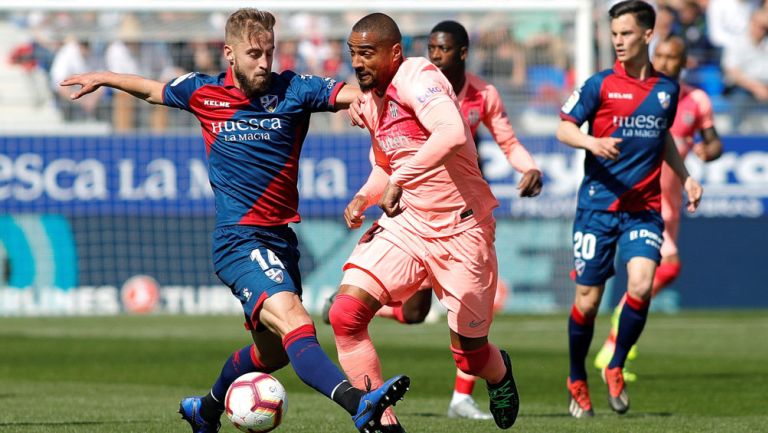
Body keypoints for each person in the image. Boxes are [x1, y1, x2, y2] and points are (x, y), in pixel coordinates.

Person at [59, 9, 409, 433]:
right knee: (298, 322)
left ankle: (204, 410)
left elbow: (356, 95)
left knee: (273, 355)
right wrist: (105, 76)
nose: (264, 63)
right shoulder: (203, 92)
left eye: (270, 53)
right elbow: (153, 91)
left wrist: (380, 101)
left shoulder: (294, 89)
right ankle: (359, 405)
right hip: (238, 241)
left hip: (280, 240)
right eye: (254, 54)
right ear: (229, 53)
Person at [323, 19, 541, 421]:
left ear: (395, 52)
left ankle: (499, 373)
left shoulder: (418, 76)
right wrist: (362, 197)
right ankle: (378, 420)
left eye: (366, 53)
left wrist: (400, 180)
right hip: (408, 225)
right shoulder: (370, 101)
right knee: (345, 315)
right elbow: (387, 166)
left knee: (471, 355)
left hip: (462, 229)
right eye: (353, 53)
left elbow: (452, 132)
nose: (357, 62)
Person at [556, 0, 702, 418]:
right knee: (587, 300)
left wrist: (687, 175)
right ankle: (576, 377)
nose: (618, 41)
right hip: (597, 209)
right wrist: (591, 143)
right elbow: (563, 127)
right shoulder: (599, 85)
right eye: (614, 34)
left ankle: (615, 364)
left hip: (643, 208)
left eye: (626, 33)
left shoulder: (666, 90)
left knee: (640, 285)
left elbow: (663, 138)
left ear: (647, 35)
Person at [593, 35, 723, 379]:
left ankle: (615, 349)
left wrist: (709, 151)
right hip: (641, 199)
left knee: (654, 274)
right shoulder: (638, 95)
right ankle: (615, 341)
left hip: (672, 203)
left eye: (672, 57)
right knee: (667, 267)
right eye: (660, 55)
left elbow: (713, 142)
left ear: (684, 63)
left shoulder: (696, 100)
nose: (664, 62)